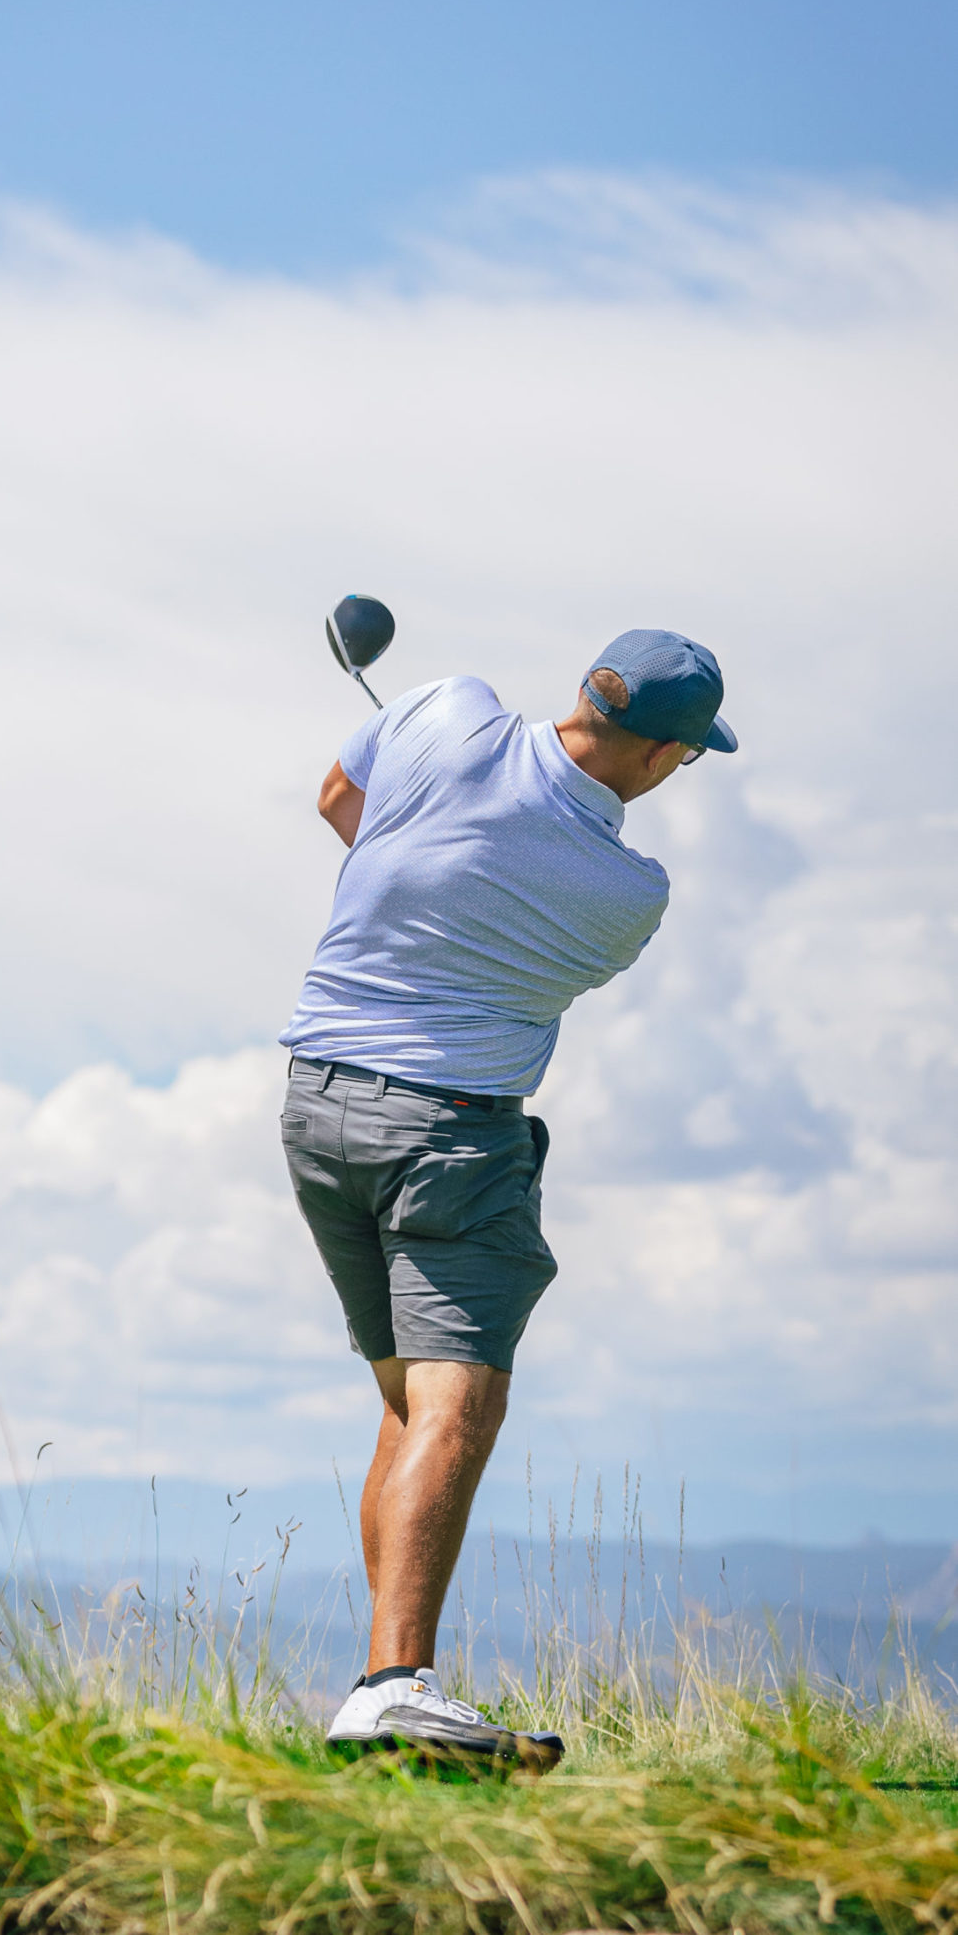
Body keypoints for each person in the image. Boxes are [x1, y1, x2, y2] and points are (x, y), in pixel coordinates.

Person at [281, 628, 736, 1765]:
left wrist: (410, 854)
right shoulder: (627, 891)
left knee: (409, 1404)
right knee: (458, 1409)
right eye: (688, 757)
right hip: (448, 1137)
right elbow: (524, 948)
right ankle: (395, 1688)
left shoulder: (442, 709)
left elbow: (338, 799)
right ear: (659, 756)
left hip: (317, 1106)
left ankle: (381, 1685)